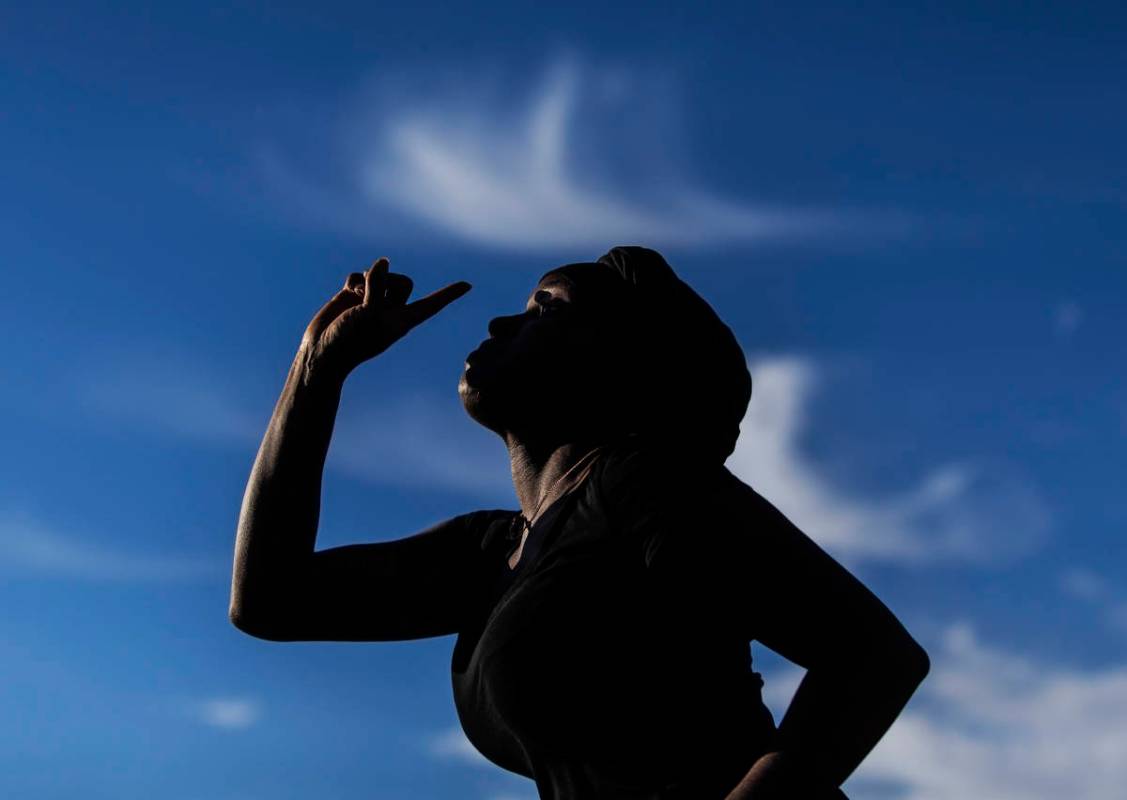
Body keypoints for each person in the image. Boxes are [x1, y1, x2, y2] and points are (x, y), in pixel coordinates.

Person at [229, 246, 930, 799]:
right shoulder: (493, 550)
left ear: (623, 362)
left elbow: (872, 658)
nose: (505, 322)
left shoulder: (645, 487)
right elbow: (271, 600)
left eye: (547, 307)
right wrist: (317, 368)